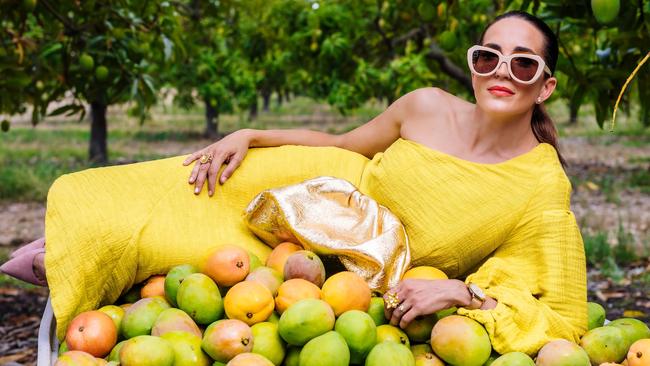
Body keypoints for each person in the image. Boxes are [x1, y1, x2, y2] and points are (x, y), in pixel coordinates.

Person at [1, 10, 586, 354]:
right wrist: (250, 134)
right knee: (159, 192)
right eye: (489, 57)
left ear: (546, 85)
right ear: (475, 61)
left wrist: (460, 293)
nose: (502, 73)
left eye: (523, 63)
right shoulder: (428, 104)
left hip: (352, 269)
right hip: (311, 191)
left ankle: (72, 265)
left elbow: (561, 310)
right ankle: (62, 251)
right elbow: (339, 144)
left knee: (173, 253)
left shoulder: (538, 182)